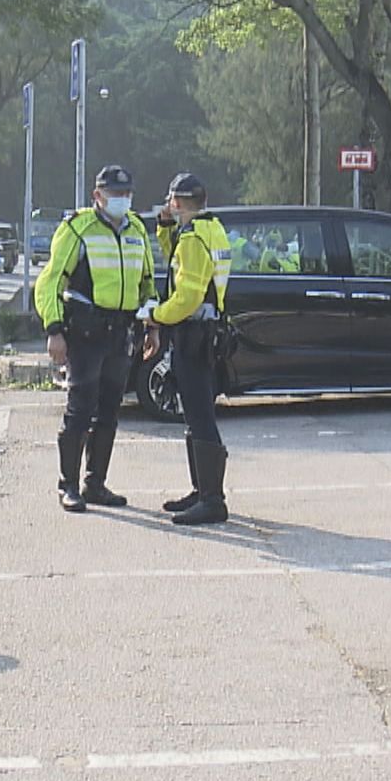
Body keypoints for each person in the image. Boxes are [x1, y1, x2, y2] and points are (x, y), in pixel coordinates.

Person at [34, 165, 155, 513]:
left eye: (127, 193)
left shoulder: (137, 229)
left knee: (109, 412)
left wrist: (153, 326)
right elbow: (50, 282)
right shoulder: (78, 228)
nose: (122, 199)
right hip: (85, 334)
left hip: (122, 333)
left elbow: (147, 282)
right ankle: (68, 486)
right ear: (97, 196)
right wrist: (54, 330)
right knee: (80, 411)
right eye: (115, 194)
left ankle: (95, 484)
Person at [149, 173, 233, 525]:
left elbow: (186, 296)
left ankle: (212, 500)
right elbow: (178, 262)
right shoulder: (210, 229)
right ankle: (201, 490)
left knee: (199, 416)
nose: (167, 205)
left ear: (178, 202)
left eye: (170, 200)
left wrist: (155, 315)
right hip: (206, 333)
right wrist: (166, 228)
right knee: (197, 414)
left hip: (193, 335)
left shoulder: (194, 239)